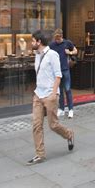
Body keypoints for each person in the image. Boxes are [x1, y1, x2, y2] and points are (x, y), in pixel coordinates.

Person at [27, 30, 74, 166]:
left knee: (53, 125)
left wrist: (54, 94)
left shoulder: (52, 55)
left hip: (50, 95)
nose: (32, 43)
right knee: (36, 125)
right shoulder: (37, 55)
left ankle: (69, 134)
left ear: (39, 42)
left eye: (33, 40)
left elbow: (58, 75)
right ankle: (40, 154)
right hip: (38, 95)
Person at [49, 29, 77, 118]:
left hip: (65, 70)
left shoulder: (67, 43)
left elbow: (76, 51)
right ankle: (61, 109)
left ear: (61, 36)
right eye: (55, 39)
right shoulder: (52, 45)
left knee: (67, 89)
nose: (57, 41)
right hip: (57, 71)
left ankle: (70, 109)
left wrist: (70, 52)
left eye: (58, 39)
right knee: (59, 91)